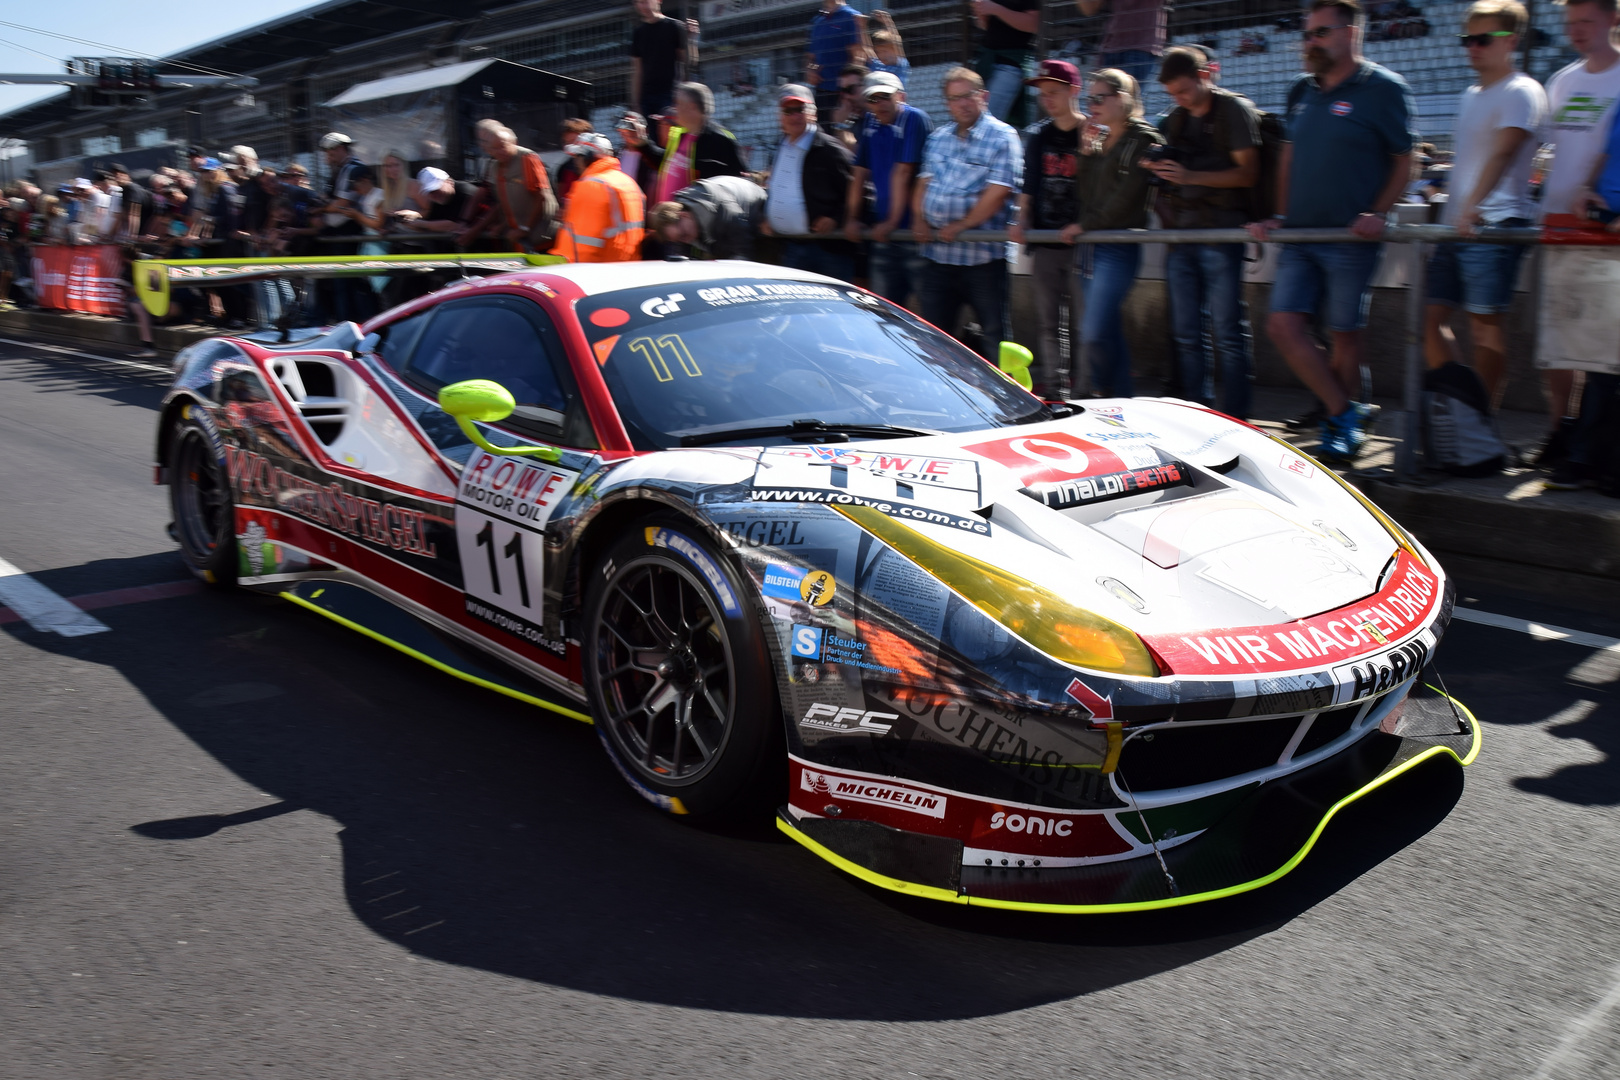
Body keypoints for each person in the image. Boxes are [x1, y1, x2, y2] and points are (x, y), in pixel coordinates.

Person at [1248, 0, 1415, 463]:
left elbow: (1405, 161)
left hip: (1349, 237)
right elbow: (1288, 159)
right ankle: (1345, 413)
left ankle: (1339, 423)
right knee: (1283, 325)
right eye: (1306, 34)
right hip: (1300, 235)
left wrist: (1378, 212)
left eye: (1321, 33)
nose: (1310, 43)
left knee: (1345, 333)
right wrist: (1278, 215)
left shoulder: (1384, 89)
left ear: (1351, 34)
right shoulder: (1301, 90)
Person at [1422, 1, 1545, 413]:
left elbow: (1503, 154)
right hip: (1459, 226)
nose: (1472, 47)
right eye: (1466, 40)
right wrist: (1457, 210)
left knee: (1485, 330)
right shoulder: (1472, 94)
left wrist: (1471, 208)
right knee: (1427, 321)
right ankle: (1462, 408)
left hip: (1494, 226)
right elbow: (1473, 160)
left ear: (1510, 41)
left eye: (1482, 39)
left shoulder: (1522, 91)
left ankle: (1480, 421)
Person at [1147, 46, 1261, 418]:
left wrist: (1191, 176)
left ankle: (1238, 417)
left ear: (1205, 75)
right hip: (1182, 233)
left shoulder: (1233, 110)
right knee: (1186, 334)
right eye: (1172, 94)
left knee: (1228, 332)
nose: (1178, 99)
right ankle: (1198, 415)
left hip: (1222, 232)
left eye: (1184, 90)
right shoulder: (1177, 117)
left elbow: (1248, 174)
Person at [1535, 0, 1620, 466]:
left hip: (1606, 234)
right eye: (1569, 23)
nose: (1576, 30)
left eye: (1587, 20)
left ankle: (1592, 439)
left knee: (1600, 350)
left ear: (1614, 18)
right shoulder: (1563, 79)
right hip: (1559, 227)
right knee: (1558, 346)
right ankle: (1560, 431)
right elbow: (1546, 147)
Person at [1062, 68, 1163, 397]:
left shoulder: (1144, 138)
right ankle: (1119, 399)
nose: (1091, 104)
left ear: (1121, 99)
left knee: (1093, 331)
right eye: (1089, 98)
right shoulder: (1102, 138)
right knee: (1105, 329)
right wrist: (1086, 153)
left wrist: (1084, 226)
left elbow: (1127, 198)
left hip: (1117, 245)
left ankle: (1112, 395)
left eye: (1098, 97)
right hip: (1093, 245)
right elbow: (1088, 195)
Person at [911, 66, 1023, 359]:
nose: (960, 103)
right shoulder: (938, 138)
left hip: (983, 260)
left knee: (994, 338)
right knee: (934, 339)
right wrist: (918, 218)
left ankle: (1004, 403)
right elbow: (923, 183)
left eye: (967, 96)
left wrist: (962, 225)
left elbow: (999, 192)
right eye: (953, 98)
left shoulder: (1002, 136)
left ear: (983, 96)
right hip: (937, 257)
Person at [1009, 60, 1086, 398]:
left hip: (1084, 243)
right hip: (1044, 242)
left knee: (1085, 326)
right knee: (1047, 324)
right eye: (1043, 93)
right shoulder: (1038, 135)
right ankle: (1056, 392)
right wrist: (1023, 218)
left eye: (1054, 92)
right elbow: (1029, 186)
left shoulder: (1091, 132)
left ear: (1074, 91)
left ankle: (1084, 392)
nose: (1047, 99)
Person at [845, 69, 931, 306]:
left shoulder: (914, 118)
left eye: (885, 97)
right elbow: (859, 174)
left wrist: (891, 223)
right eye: (873, 99)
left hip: (914, 234)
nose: (879, 104)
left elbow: (903, 171)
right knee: (883, 312)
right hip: (886, 235)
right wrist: (852, 218)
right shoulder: (871, 123)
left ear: (900, 96)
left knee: (929, 314)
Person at [762, 84, 857, 281]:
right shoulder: (779, 148)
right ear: (780, 117)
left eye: (800, 109)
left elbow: (859, 191)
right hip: (791, 248)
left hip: (828, 249)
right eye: (788, 110)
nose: (794, 116)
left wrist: (835, 218)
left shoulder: (829, 149)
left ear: (813, 113)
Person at [631, 83, 747, 205]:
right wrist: (642, 143)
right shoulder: (680, 134)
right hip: (672, 219)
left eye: (677, 103)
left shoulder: (721, 140)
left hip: (700, 221)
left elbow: (741, 182)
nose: (674, 108)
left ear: (692, 107)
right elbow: (665, 165)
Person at [551, 133, 646, 263]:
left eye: (578, 156)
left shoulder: (591, 186)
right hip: (626, 265)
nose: (576, 162)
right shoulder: (629, 182)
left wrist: (572, 270)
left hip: (595, 271)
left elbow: (583, 243)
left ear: (589, 157)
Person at [469, 119, 558, 252]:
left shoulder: (527, 158)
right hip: (520, 242)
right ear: (489, 150)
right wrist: (502, 226)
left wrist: (524, 228)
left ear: (514, 142)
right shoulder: (495, 167)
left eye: (503, 146)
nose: (501, 151)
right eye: (495, 148)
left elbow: (541, 197)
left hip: (542, 240)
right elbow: (507, 204)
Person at [648, 174, 766, 259]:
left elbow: (743, 257)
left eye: (683, 235)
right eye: (678, 240)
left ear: (684, 215)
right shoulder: (682, 226)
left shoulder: (726, 213)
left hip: (761, 214)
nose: (685, 241)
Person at [971, 0, 1040, 124]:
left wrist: (996, 9)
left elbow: (1033, 24)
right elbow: (987, 26)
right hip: (987, 60)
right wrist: (981, 13)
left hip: (1011, 63)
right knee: (975, 117)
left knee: (986, 121)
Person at [630, 0, 698, 120]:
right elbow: (637, 71)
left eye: (645, 2)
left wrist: (691, 41)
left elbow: (689, 61)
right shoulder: (638, 33)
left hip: (670, 94)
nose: (642, 6)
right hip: (646, 98)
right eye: (638, 3)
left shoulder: (675, 26)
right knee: (650, 137)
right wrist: (636, 103)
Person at [1074, 0, 1169, 83]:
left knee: (1126, 99)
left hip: (1140, 47)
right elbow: (1089, 9)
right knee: (1102, 99)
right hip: (1111, 46)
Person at [807, 0, 871, 114]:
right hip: (822, 93)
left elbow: (858, 57)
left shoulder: (851, 16)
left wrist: (849, 92)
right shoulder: (817, 22)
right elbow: (811, 57)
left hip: (844, 94)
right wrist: (809, 70)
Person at [553, 118, 595, 204]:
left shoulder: (601, 165)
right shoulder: (564, 169)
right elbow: (561, 199)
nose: (570, 146)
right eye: (567, 142)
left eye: (575, 141)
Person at [869, 11, 909, 86]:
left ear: (894, 50)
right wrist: (861, 26)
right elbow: (866, 48)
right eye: (877, 52)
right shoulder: (876, 65)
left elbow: (896, 42)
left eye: (885, 51)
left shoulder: (900, 66)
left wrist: (888, 21)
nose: (881, 55)